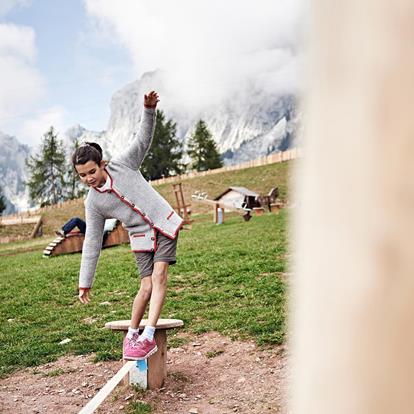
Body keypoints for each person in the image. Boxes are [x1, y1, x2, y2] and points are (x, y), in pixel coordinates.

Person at [72, 91, 183, 361]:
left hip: (163, 224)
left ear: (102, 164)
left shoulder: (125, 164)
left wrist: (148, 109)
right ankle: (133, 332)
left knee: (159, 278)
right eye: (82, 175)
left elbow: (143, 139)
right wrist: (84, 282)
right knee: (145, 287)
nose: (88, 179)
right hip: (140, 237)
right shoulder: (93, 203)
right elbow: (92, 242)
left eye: (92, 172)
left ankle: (148, 336)